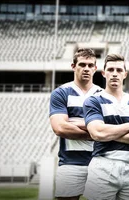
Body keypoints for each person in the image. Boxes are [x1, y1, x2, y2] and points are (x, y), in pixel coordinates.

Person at [82, 54, 129, 200]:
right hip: (103, 164)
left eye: (119, 70)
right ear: (103, 73)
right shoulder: (93, 101)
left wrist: (109, 133)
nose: (115, 73)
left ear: (125, 74)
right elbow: (97, 133)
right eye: (111, 69)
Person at [49, 48, 102, 200]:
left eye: (90, 65)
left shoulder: (102, 95)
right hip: (70, 163)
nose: (86, 68)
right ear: (74, 66)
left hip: (100, 162)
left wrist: (73, 122)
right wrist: (95, 132)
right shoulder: (61, 93)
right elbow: (60, 128)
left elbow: (106, 127)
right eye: (82, 64)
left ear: (95, 68)